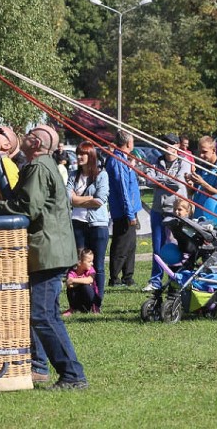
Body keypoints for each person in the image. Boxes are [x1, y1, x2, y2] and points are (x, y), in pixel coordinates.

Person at [0, 124, 88, 390]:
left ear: (35, 143)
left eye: (28, 134)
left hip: (47, 251)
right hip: (54, 249)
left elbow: (28, 207)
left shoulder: (36, 168)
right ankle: (57, 370)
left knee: (42, 316)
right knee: (49, 315)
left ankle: (72, 374)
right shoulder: (47, 165)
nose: (23, 137)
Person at [144, 133, 191, 292]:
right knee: (157, 247)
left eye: (172, 144)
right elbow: (148, 179)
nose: (168, 147)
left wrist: (159, 180)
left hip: (177, 210)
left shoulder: (183, 162)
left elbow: (177, 183)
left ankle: (177, 277)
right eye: (166, 144)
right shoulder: (156, 161)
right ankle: (155, 280)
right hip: (158, 209)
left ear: (178, 146)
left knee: (177, 245)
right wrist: (161, 181)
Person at [67, 140, 109, 310]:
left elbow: (99, 200)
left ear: (91, 156)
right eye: (78, 153)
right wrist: (85, 200)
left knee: (97, 265)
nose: (79, 157)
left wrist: (77, 199)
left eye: (83, 154)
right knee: (78, 263)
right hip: (77, 224)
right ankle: (78, 303)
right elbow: (67, 198)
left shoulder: (101, 175)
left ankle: (96, 303)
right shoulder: (72, 175)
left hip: (97, 225)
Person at [105, 130, 142, 288]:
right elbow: (123, 189)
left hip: (131, 208)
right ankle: (115, 278)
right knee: (121, 244)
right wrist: (129, 213)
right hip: (123, 211)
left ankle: (128, 276)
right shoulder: (117, 160)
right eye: (132, 141)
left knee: (131, 244)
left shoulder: (124, 159)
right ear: (128, 143)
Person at [185, 135, 217, 219]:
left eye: (204, 152)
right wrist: (189, 184)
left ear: (213, 150)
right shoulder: (201, 166)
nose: (201, 155)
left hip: (214, 220)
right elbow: (192, 192)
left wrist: (203, 184)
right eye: (199, 152)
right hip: (198, 216)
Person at [64, 248, 98, 316]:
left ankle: (94, 307)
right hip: (78, 300)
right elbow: (68, 284)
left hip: (90, 300)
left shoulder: (91, 270)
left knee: (86, 286)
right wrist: (78, 282)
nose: (92, 263)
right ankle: (73, 308)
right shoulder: (72, 272)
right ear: (79, 262)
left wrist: (74, 280)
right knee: (70, 288)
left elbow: (90, 280)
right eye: (89, 261)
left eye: (92, 261)